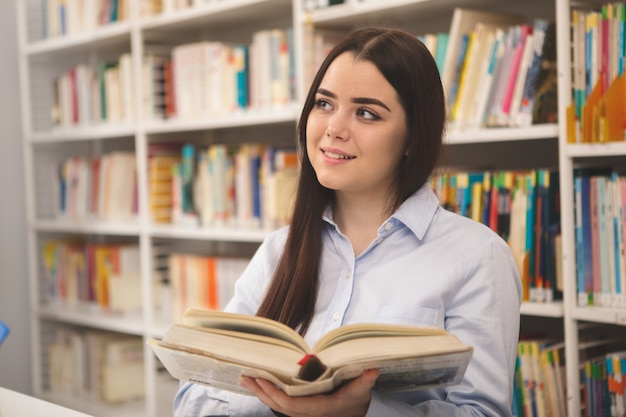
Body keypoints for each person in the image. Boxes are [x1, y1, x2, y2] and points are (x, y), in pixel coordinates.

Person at [173, 26, 521, 417]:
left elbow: (484, 413)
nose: (334, 129)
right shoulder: (278, 251)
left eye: (366, 113)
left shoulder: (477, 256)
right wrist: (277, 403)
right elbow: (193, 397)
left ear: (412, 138)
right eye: (324, 104)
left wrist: (364, 411)